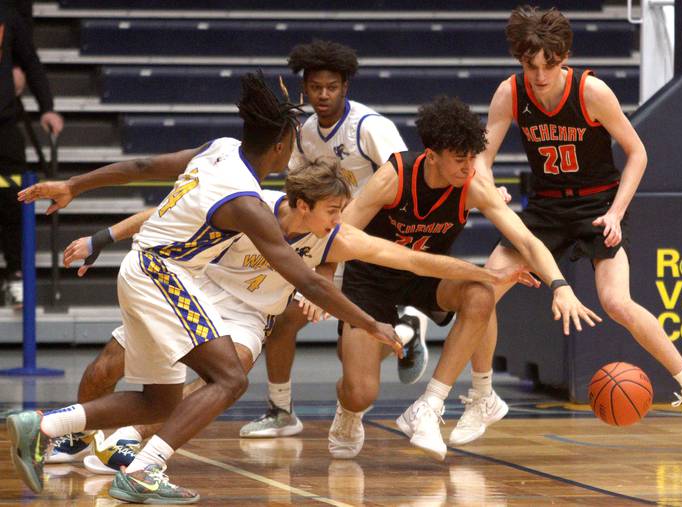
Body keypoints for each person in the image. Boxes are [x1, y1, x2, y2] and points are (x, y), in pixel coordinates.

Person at [8, 72, 404, 504]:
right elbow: (306, 278)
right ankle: (144, 470)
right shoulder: (246, 201)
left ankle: (44, 426)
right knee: (230, 378)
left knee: (159, 402)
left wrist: (74, 185)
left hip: (147, 269)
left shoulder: (220, 148)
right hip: (161, 273)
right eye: (291, 142)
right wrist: (371, 324)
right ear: (279, 146)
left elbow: (143, 168)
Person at [46, 158, 529, 474]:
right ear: (301, 204)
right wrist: (101, 240)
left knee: (220, 376)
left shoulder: (334, 235)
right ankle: (75, 435)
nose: (341, 219)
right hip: (196, 288)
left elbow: (413, 261)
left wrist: (484, 275)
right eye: (333, 209)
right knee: (112, 361)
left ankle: (133, 447)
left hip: (250, 315)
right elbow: (162, 212)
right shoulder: (246, 208)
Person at [462, 5, 682, 447]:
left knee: (616, 302)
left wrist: (618, 212)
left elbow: (637, 153)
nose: (540, 75)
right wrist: (489, 187)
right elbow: (482, 156)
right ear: (519, 60)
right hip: (545, 209)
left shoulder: (591, 91)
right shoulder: (510, 93)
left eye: (550, 64)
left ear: (564, 57)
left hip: (597, 206)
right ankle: (483, 396)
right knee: (483, 289)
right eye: (531, 65)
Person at [329, 95, 600, 462]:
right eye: (460, 159)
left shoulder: (472, 184)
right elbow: (339, 233)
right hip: (371, 278)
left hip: (427, 273)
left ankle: (430, 404)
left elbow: (525, 239)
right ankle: (349, 408)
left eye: (473, 157)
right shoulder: (394, 176)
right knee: (360, 392)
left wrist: (560, 285)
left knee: (481, 293)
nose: (469, 166)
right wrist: (322, 279)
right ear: (432, 154)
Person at [239, 39, 423, 441]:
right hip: (328, 239)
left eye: (332, 87)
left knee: (344, 349)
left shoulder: (370, 127)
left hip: (370, 243)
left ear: (346, 88)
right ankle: (281, 409)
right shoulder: (304, 133)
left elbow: (408, 176)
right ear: (305, 89)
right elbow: (297, 193)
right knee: (284, 323)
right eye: (316, 87)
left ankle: (403, 328)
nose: (323, 95)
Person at [0, 4, 63, 307]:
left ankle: (14, 275)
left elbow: (31, 62)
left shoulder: (7, 14)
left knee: (14, 202)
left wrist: (47, 108)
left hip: (4, 124)